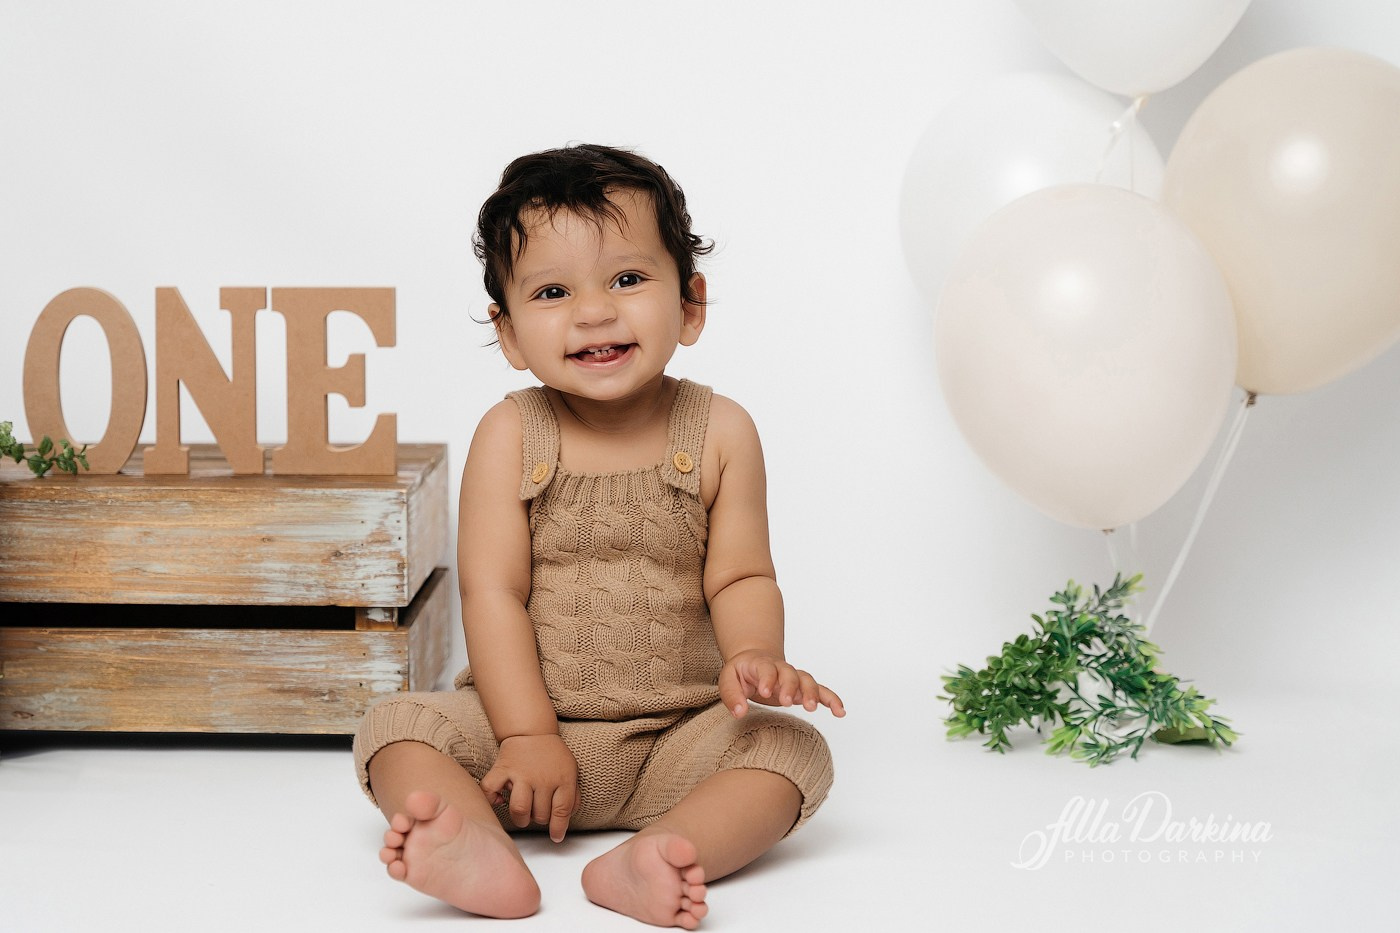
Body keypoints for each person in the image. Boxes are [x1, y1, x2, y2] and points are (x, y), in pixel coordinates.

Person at [352, 143, 844, 929]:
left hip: (677, 737)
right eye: (552, 290)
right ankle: (476, 845)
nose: (593, 311)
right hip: (523, 742)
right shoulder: (512, 434)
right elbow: (494, 592)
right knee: (397, 728)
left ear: (690, 303)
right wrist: (527, 733)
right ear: (509, 333)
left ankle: (659, 853)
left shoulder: (720, 430)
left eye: (626, 278)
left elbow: (742, 576)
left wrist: (755, 656)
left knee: (792, 753)